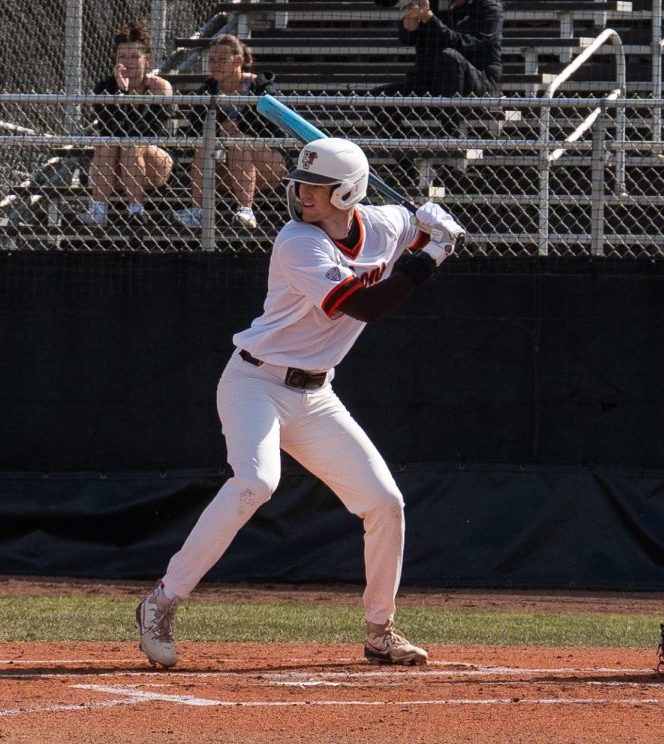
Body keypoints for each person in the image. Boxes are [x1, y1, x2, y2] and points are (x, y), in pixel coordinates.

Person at [136, 137, 466, 669]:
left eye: (316, 187)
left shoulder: (384, 223)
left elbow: (416, 228)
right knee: (256, 482)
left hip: (317, 394)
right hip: (255, 384)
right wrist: (432, 255)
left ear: (348, 194)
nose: (301, 192)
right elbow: (364, 306)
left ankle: (380, 629)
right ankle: (161, 602)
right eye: (300, 182)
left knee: (385, 502)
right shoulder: (296, 242)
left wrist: (431, 221)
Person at [173, 34, 287, 231]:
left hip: (266, 163)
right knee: (203, 148)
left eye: (221, 60)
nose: (215, 65)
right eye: (212, 60)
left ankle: (246, 210)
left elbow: (275, 128)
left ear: (238, 61)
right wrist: (218, 130)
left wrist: (241, 126)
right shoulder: (207, 90)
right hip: (224, 165)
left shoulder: (260, 88)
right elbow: (195, 127)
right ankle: (197, 211)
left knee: (239, 142)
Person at [79, 22, 174, 226]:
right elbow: (112, 129)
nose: (128, 63)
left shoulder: (160, 88)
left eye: (134, 57)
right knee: (106, 142)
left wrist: (127, 96)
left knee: (132, 143)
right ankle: (98, 210)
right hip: (116, 169)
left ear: (146, 60)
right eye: (122, 57)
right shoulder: (105, 88)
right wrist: (121, 92)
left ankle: (136, 211)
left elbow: (147, 130)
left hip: (153, 163)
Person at [373, 0, 503, 97]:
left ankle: (452, 131)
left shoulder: (489, 8)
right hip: (430, 81)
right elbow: (408, 39)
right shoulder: (434, 4)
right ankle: (398, 134)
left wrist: (429, 18)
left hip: (477, 82)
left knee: (449, 57)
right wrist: (411, 15)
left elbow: (462, 44)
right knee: (378, 97)